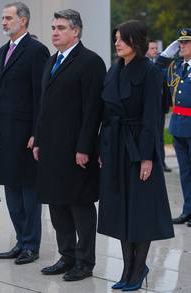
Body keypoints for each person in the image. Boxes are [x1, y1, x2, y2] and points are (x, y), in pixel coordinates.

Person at [98, 20, 174, 291]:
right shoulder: (114, 69)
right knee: (120, 211)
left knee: (139, 211)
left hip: (138, 150)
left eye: (122, 39)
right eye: (116, 38)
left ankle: (138, 267)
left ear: (137, 41)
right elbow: (106, 114)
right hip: (114, 147)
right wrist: (101, 149)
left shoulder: (151, 73)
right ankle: (127, 267)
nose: (117, 43)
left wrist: (147, 157)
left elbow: (153, 118)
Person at [33, 9, 106, 281]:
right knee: (57, 203)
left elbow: (92, 110)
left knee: (79, 205)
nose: (54, 32)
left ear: (76, 31)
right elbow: (44, 106)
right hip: (51, 148)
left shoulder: (91, 62)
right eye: (53, 27)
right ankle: (67, 255)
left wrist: (85, 147)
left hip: (76, 149)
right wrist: (38, 140)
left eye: (61, 28)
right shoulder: (51, 61)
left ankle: (85, 262)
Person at [0, 2, 49, 265]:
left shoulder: (37, 51)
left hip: (26, 134)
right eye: (3, 18)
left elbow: (41, 96)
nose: (4, 22)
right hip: (5, 133)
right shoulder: (2, 51)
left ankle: (31, 245)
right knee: (11, 190)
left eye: (8, 18)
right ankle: (20, 240)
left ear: (23, 20)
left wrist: (36, 132)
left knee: (28, 192)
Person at [156, 29, 191, 227]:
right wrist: (164, 56)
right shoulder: (177, 68)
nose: (181, 46)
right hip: (178, 127)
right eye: (180, 43)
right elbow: (155, 73)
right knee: (185, 172)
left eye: (186, 43)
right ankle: (188, 211)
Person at [146, 40, 172, 172]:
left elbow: (165, 87)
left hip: (160, 107)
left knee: (160, 136)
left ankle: (162, 162)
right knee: (151, 134)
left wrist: (166, 105)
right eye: (152, 48)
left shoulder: (162, 67)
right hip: (149, 107)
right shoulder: (146, 66)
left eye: (156, 48)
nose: (155, 51)